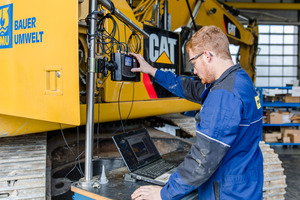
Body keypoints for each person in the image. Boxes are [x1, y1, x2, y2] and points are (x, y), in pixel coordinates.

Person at [130, 25, 263, 200]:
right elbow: (189, 87)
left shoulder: (223, 96)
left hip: (226, 191)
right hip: (246, 181)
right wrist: (152, 71)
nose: (193, 70)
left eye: (193, 62)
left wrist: (164, 193)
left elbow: (204, 158)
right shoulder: (239, 79)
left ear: (207, 56)